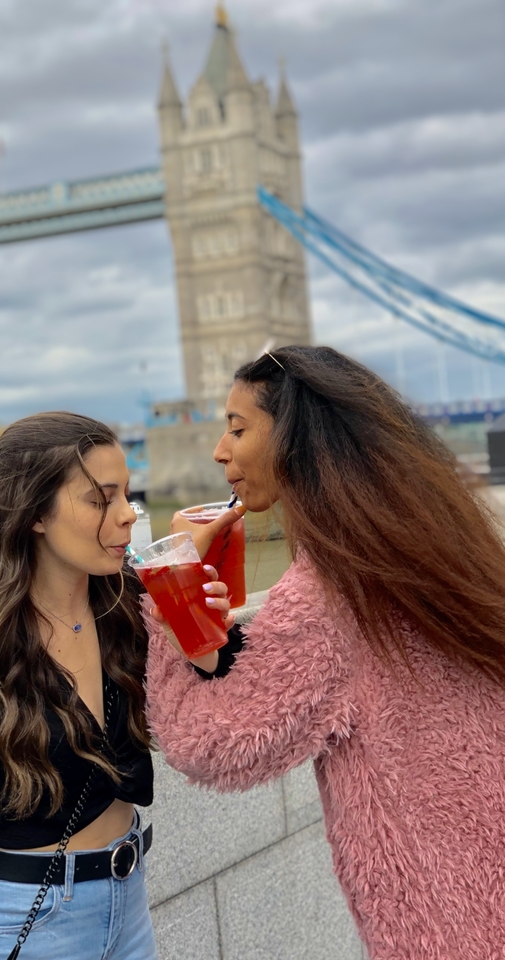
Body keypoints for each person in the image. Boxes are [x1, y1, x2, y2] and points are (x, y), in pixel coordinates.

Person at [145, 345, 505, 960]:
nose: (219, 451)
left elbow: (213, 744)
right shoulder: (429, 549)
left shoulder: (330, 592)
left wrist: (164, 590)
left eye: (237, 428)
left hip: (443, 930)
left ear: (296, 438)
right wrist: (219, 650)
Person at [0, 412, 234, 960]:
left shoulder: (129, 603)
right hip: (24, 923)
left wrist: (208, 652)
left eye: (126, 495)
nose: (128, 515)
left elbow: (218, 710)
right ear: (35, 513)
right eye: (100, 499)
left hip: (128, 907)